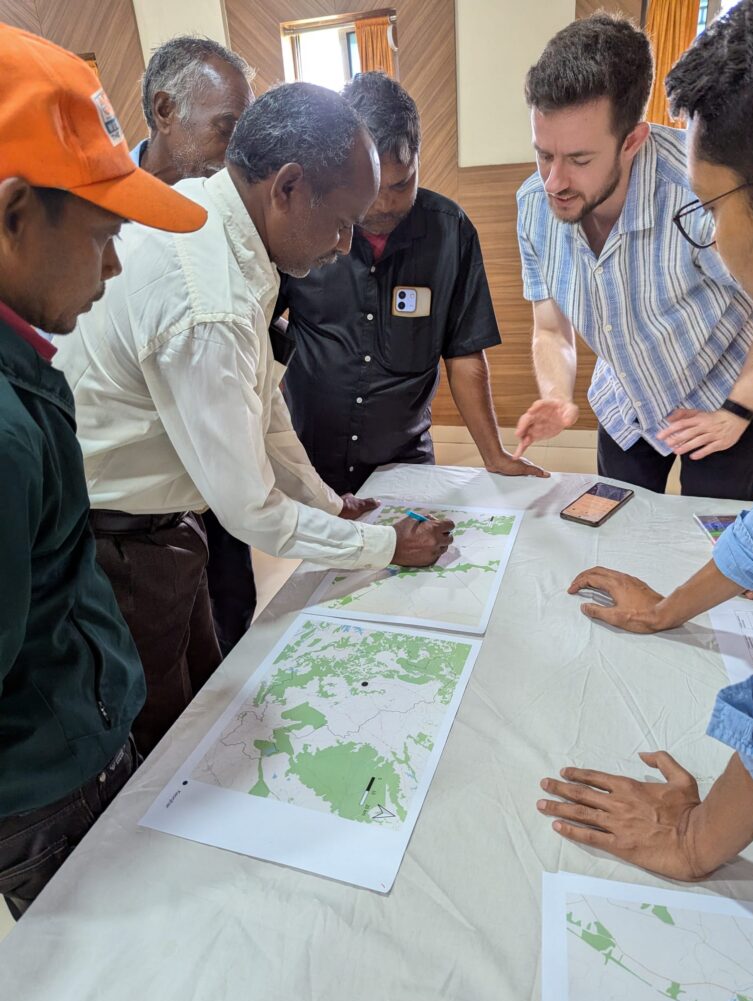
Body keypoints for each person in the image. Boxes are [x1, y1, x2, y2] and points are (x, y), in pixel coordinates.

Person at [56, 83, 453, 757]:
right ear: (288, 187)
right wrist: (385, 546)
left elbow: (263, 407)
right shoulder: (206, 300)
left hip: (162, 527)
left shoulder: (221, 220)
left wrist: (328, 503)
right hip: (116, 546)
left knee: (202, 698)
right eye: (341, 222)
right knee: (158, 742)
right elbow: (250, 511)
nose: (345, 244)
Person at [537, 0, 753, 881]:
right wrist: (671, 608)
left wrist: (698, 838)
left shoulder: (676, 188)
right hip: (629, 406)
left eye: (710, 210)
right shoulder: (539, 205)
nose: (708, 233)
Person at [0, 25, 206, 917]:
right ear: (15, 214)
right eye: (101, 236)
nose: (116, 266)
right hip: (49, 785)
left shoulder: (24, 371)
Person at [514, 13, 753, 501]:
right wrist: (556, 395)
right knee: (615, 521)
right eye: (544, 154)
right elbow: (550, 328)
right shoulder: (532, 206)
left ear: (632, 140)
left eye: (579, 159)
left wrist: (738, 410)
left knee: (708, 529)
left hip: (724, 390)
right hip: (626, 398)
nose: (554, 182)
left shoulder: (698, 192)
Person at [275, 72, 548, 498]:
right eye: (371, 188)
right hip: (309, 461)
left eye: (401, 184)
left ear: (419, 158)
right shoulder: (305, 226)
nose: (385, 204)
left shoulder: (450, 232)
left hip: (405, 464)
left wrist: (494, 455)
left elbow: (464, 355)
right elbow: (260, 325)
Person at [128, 35, 256, 656]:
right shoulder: (95, 209)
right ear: (165, 110)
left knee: (228, 618)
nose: (236, 153)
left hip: (213, 477)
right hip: (136, 509)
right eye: (225, 129)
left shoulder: (228, 209)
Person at [130, 35, 254, 183]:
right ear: (165, 111)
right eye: (225, 130)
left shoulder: (230, 192)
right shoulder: (108, 192)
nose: (240, 157)